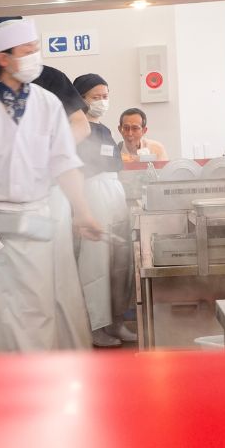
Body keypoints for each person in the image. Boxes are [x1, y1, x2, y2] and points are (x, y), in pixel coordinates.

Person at [0, 17, 103, 353]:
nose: (37, 56)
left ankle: (36, 390)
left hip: (36, 222)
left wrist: (83, 212)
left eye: (36, 48)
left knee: (35, 313)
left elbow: (64, 163)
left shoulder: (47, 103)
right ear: (3, 58)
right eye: (28, 50)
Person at [73, 74, 137, 349]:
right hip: (93, 194)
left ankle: (116, 321)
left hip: (114, 195)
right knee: (95, 264)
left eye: (105, 96)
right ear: (81, 98)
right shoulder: (78, 128)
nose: (102, 102)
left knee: (119, 264)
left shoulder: (106, 130)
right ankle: (95, 326)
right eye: (95, 97)